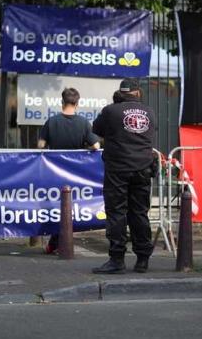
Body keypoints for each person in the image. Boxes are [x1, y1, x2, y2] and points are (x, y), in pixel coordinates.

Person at [92, 78, 156, 274]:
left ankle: (117, 259)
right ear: (137, 93)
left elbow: (96, 130)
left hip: (118, 169)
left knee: (117, 213)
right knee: (139, 212)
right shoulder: (150, 112)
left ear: (121, 92)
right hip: (143, 167)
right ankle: (142, 259)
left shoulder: (110, 111)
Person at [38, 88, 100, 254]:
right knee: (72, 208)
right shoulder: (84, 123)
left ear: (62, 102)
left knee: (54, 207)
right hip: (75, 173)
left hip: (54, 172)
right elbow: (96, 146)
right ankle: (58, 243)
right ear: (77, 103)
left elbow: (41, 146)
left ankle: (55, 243)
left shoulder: (51, 121)